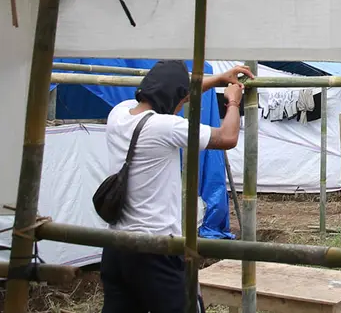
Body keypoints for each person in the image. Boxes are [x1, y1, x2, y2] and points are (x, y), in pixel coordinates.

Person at [100, 61, 253, 313]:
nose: (183, 105)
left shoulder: (119, 113)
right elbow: (227, 137)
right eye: (182, 100)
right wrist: (233, 101)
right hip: (155, 249)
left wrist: (217, 79)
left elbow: (175, 92)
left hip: (116, 246)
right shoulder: (165, 127)